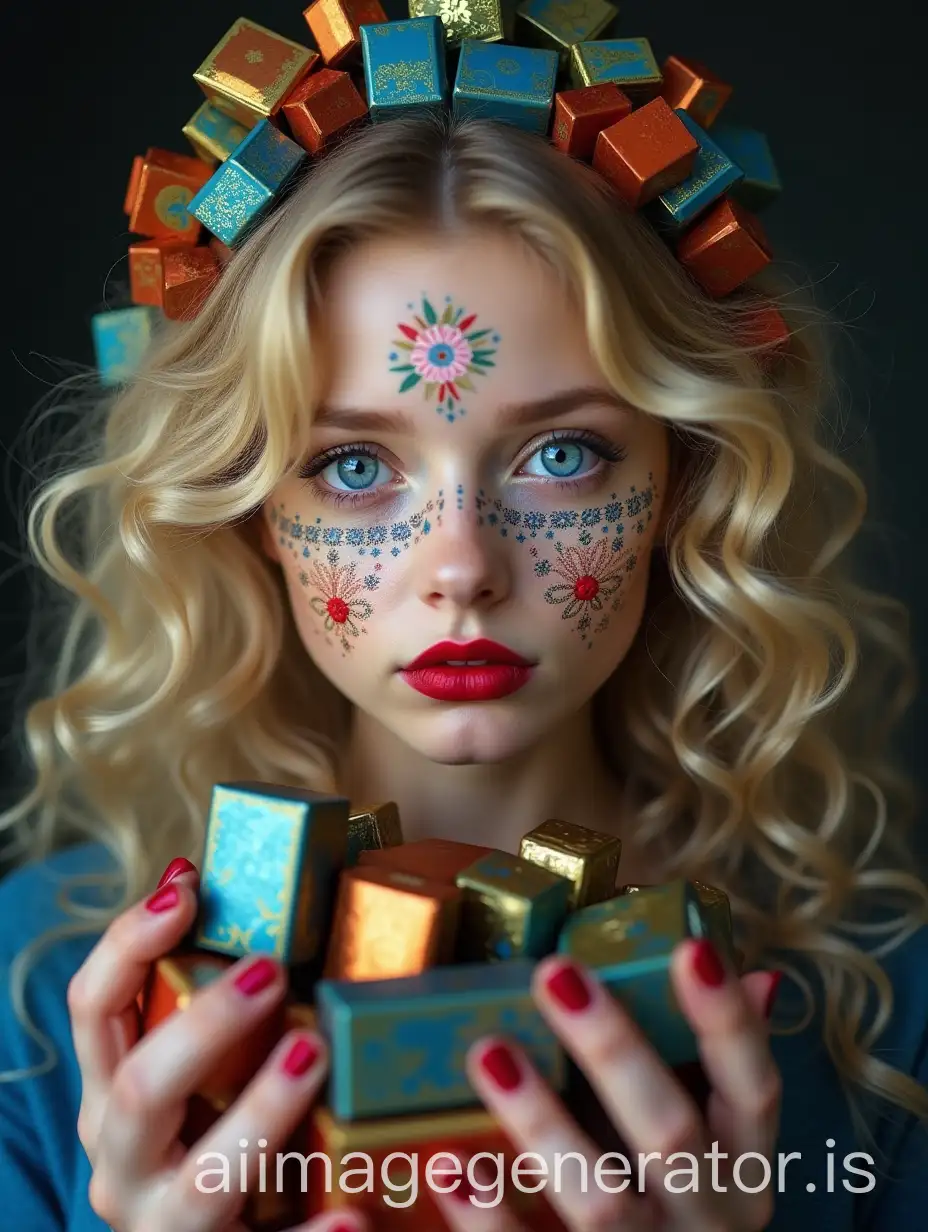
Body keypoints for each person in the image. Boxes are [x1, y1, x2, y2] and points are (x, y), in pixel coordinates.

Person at [0, 106, 926, 1232]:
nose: (461, 567)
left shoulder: (886, 1013)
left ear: (684, 483)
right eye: (350, 465)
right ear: (253, 515)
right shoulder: (43, 996)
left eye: (561, 455)